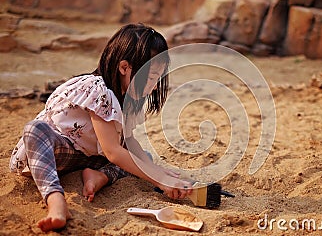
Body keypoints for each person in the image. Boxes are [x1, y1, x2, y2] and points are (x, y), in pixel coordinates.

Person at [9, 23, 192, 232]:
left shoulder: (126, 100)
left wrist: (163, 173)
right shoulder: (98, 90)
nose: (155, 86)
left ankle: (99, 177)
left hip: (87, 158)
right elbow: (113, 152)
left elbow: (129, 143)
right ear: (125, 68)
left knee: (145, 158)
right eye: (151, 78)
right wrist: (160, 180)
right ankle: (56, 200)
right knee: (35, 129)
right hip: (57, 151)